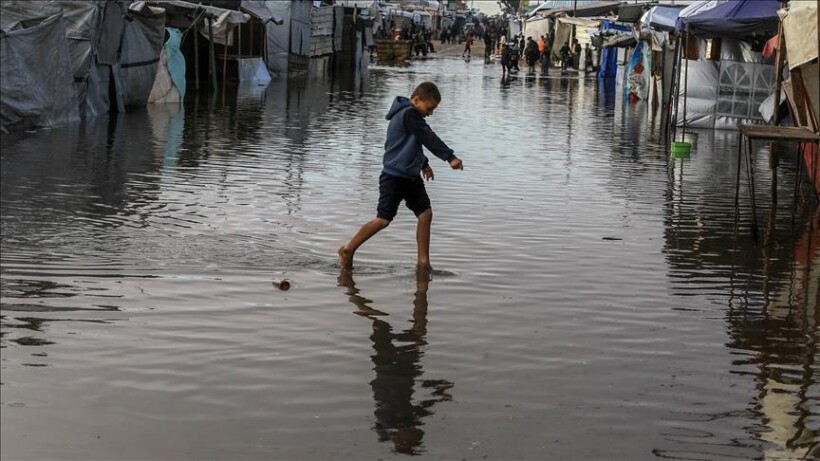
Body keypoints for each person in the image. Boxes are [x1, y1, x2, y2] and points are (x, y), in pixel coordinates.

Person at [338, 82, 464, 272]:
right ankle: (348, 249)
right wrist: (450, 157)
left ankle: (423, 262)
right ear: (416, 100)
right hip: (393, 177)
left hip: (410, 177)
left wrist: (424, 164)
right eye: (429, 108)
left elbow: (411, 143)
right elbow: (427, 136)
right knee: (383, 219)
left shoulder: (410, 115)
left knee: (425, 214)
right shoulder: (409, 114)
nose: (431, 113)